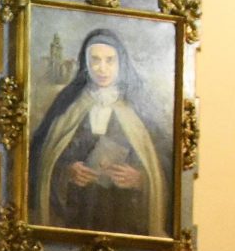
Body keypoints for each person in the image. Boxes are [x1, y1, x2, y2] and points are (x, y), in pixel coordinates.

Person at [28, 25, 168, 237]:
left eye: (109, 60)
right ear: (86, 64)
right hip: (74, 217)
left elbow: (166, 164)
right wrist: (66, 172)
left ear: (120, 63)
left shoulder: (140, 109)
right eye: (95, 60)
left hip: (125, 220)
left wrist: (141, 179)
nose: (102, 68)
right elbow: (39, 158)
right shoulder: (68, 105)